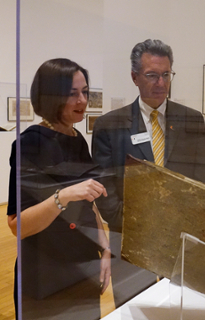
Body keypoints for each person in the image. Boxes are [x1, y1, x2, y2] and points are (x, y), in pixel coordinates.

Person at [92, 39, 205, 307]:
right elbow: (105, 192)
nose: (161, 83)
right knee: (134, 309)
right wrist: (141, 225)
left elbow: (202, 184)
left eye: (166, 75)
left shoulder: (191, 120)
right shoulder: (110, 125)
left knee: (183, 308)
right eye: (152, 75)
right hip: (131, 241)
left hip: (182, 240)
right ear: (135, 77)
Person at [7, 58, 111, 320]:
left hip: (84, 265)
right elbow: (17, 225)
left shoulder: (77, 140)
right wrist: (63, 196)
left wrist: (105, 249)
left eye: (85, 92)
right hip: (46, 273)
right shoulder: (30, 143)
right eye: (72, 93)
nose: (82, 101)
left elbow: (89, 203)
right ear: (50, 97)